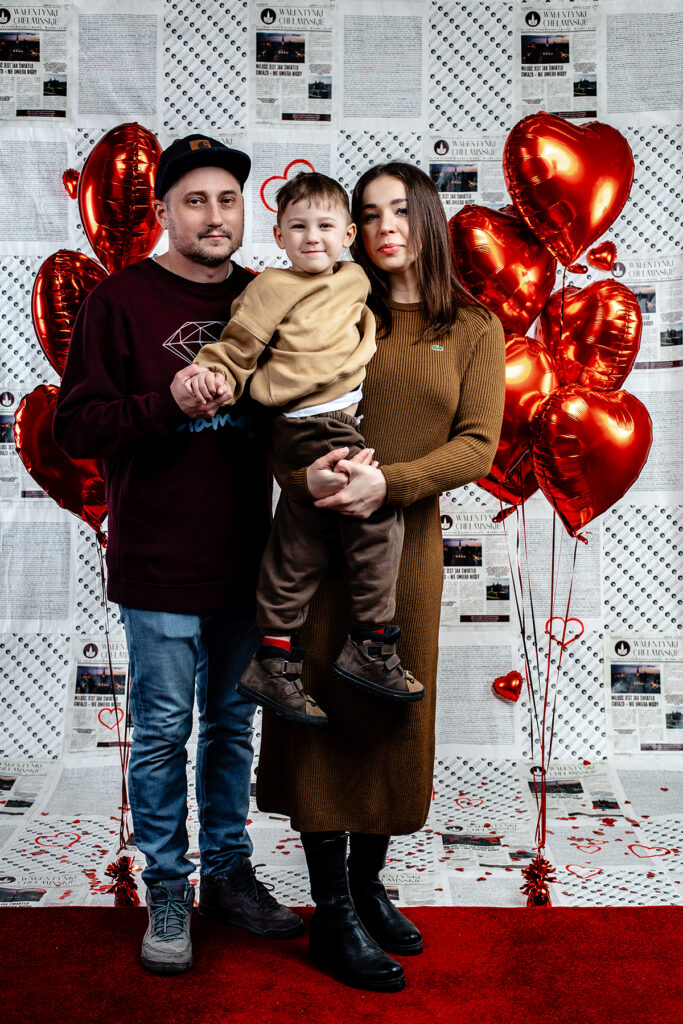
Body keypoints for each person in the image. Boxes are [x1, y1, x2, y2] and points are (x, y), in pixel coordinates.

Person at [53, 134, 304, 976]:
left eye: (227, 200)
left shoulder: (268, 297)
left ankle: (227, 875)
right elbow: (76, 426)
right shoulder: (118, 301)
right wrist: (167, 401)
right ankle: (168, 885)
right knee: (162, 732)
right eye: (194, 201)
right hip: (159, 562)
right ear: (164, 211)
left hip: (248, 562)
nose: (213, 216)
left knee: (232, 727)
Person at [256, 162, 506, 991]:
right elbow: (283, 422)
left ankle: (366, 885)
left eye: (400, 210)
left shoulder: (472, 326)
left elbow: (475, 445)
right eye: (367, 214)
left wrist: (386, 485)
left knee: (387, 718)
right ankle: (331, 913)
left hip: (408, 554)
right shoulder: (331, 306)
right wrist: (308, 481)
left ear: (428, 218)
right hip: (317, 549)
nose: (384, 226)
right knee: (320, 718)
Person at [188, 171, 423, 726]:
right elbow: (239, 343)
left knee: (299, 543)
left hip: (327, 421)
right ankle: (371, 645)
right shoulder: (272, 287)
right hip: (315, 423)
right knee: (375, 520)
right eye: (297, 227)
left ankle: (273, 658)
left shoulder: (355, 277)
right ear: (278, 235)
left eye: (325, 226)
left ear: (348, 235)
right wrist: (212, 375)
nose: (312, 238)